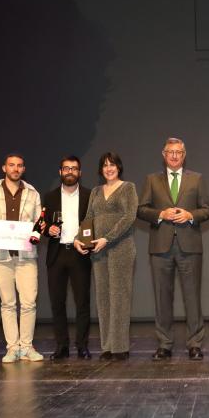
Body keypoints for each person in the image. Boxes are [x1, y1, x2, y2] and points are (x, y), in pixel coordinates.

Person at [137, 138, 209, 361]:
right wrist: (160, 214)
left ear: (184, 154)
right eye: (170, 152)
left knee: (192, 297)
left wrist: (190, 215)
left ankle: (195, 344)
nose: (174, 156)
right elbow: (141, 210)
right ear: (163, 154)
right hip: (161, 246)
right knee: (162, 297)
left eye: (178, 152)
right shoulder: (152, 180)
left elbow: (207, 210)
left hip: (189, 246)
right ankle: (164, 344)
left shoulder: (197, 179)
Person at [0, 154, 45, 363]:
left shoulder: (32, 193)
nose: (15, 168)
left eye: (19, 165)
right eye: (11, 165)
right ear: (4, 167)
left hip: (26, 255)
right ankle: (12, 348)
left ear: (23, 169)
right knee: (8, 303)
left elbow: (40, 222)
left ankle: (27, 346)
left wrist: (37, 232)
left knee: (29, 302)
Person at [75, 152, 138, 361]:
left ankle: (120, 347)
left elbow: (129, 217)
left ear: (119, 167)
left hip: (120, 248)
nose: (109, 169)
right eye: (105, 166)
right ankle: (107, 346)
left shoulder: (128, 188)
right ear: (101, 170)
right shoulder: (95, 191)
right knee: (103, 296)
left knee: (119, 296)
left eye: (112, 165)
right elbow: (88, 219)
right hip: (98, 250)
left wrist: (107, 238)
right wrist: (79, 239)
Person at [42, 156, 93, 360]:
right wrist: (48, 230)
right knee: (57, 302)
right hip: (56, 253)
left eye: (74, 169)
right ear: (60, 172)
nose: (70, 172)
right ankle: (62, 346)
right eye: (66, 168)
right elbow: (42, 225)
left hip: (80, 253)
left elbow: (94, 224)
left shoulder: (90, 195)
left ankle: (82, 345)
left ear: (80, 173)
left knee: (82, 302)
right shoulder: (50, 196)